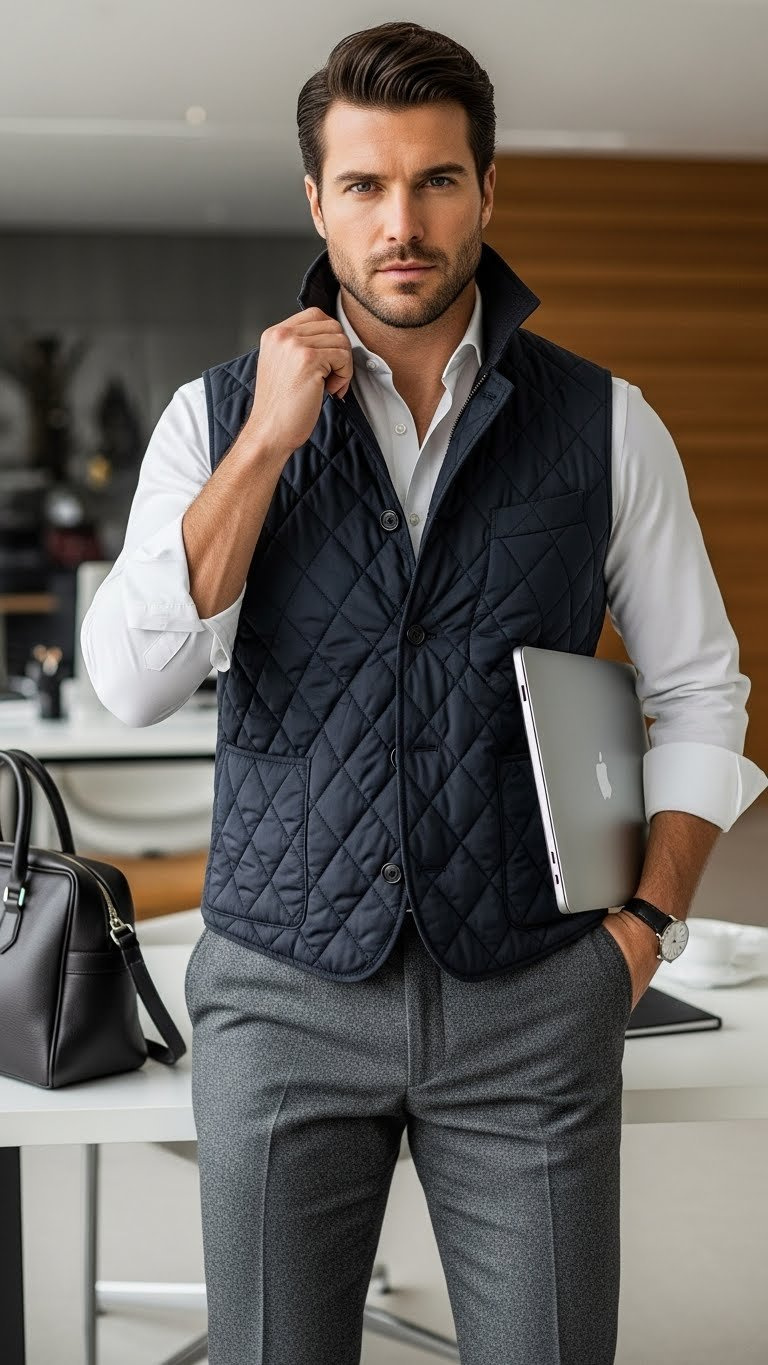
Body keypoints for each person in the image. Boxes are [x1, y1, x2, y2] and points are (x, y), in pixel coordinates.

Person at [82, 20, 767, 1365]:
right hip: (279, 995)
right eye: (366, 185)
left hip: (531, 997)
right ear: (316, 201)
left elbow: (701, 685)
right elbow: (130, 685)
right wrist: (271, 440)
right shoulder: (209, 420)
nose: (404, 221)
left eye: (437, 180)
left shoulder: (607, 421)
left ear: (487, 191)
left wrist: (643, 929)